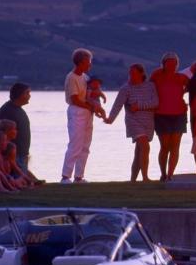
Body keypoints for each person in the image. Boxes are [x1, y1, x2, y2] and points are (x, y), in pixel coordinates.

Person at [106, 63, 159, 182]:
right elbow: (117, 105)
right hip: (133, 122)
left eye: (134, 73)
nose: (131, 76)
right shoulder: (126, 88)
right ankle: (145, 177)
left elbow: (155, 103)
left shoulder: (150, 86)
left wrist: (138, 106)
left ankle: (133, 180)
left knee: (139, 152)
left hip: (148, 122)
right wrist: (110, 119)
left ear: (141, 74)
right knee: (145, 146)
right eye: (130, 74)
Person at [61, 48, 103, 184]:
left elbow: (91, 94)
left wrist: (96, 106)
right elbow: (75, 99)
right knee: (75, 144)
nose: (90, 65)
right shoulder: (72, 77)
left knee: (85, 145)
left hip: (87, 112)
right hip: (77, 112)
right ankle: (65, 176)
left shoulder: (85, 77)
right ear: (80, 63)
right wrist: (91, 107)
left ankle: (79, 176)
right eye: (87, 62)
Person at [151, 51, 190, 181]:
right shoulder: (157, 75)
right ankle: (163, 173)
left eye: (174, 63)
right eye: (169, 63)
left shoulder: (181, 77)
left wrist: (184, 95)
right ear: (163, 64)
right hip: (161, 114)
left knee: (175, 145)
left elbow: (193, 85)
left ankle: (170, 175)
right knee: (165, 146)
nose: (172, 65)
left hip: (179, 114)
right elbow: (147, 88)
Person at [0, 82, 33, 175]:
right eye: (27, 93)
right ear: (20, 94)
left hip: (21, 154)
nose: (29, 96)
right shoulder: (8, 110)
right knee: (19, 180)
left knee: (23, 179)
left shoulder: (17, 109)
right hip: (13, 155)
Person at [0, 119, 38, 186]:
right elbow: (13, 165)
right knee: (21, 181)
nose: (16, 131)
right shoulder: (10, 146)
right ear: (7, 131)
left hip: (3, 175)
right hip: (3, 175)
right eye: (14, 129)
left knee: (22, 180)